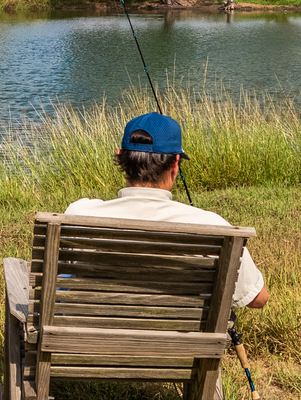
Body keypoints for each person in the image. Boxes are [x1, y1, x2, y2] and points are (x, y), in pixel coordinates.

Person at [66, 111, 268, 311]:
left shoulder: (77, 214)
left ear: (121, 158)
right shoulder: (212, 226)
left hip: (94, 339)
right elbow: (257, 299)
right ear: (175, 163)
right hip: (182, 341)